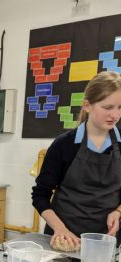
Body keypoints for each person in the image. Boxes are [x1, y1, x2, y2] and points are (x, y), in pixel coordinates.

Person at [32, 71, 121, 247]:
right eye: (108, 107)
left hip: (105, 243)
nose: (115, 115)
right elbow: (40, 195)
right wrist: (60, 229)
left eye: (120, 107)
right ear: (87, 106)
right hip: (65, 239)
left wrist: (117, 212)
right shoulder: (64, 145)